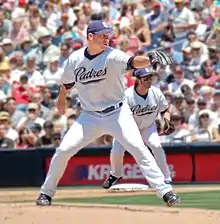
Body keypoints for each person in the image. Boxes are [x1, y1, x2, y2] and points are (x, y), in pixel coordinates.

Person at [36, 20, 180, 207]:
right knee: (63, 150)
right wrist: (62, 98)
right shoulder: (75, 59)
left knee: (138, 148)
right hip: (89, 116)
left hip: (117, 113)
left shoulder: (113, 55)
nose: (107, 37)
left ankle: (165, 191)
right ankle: (46, 193)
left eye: (108, 34)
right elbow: (67, 83)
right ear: (90, 36)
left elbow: (133, 62)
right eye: (102, 34)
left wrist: (150, 59)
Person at [102, 67, 173, 189]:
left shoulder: (156, 92)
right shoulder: (127, 96)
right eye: (146, 77)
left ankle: (166, 177)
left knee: (156, 146)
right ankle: (115, 174)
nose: (150, 80)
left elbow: (165, 110)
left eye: (150, 77)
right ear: (138, 80)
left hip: (147, 127)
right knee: (117, 151)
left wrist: (167, 121)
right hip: (127, 128)